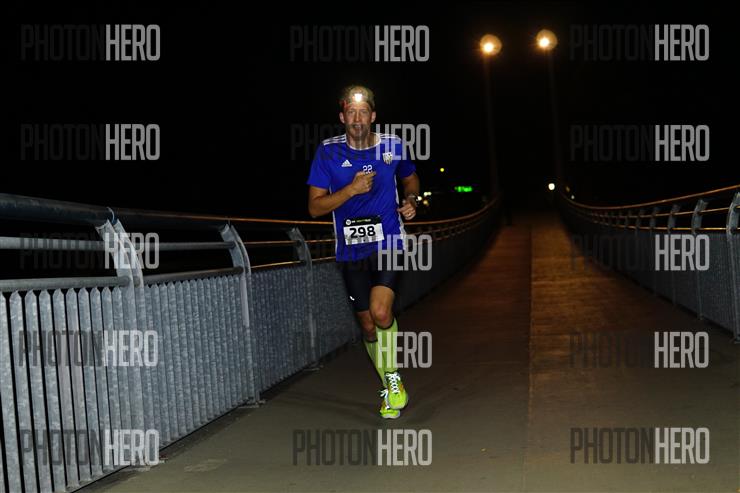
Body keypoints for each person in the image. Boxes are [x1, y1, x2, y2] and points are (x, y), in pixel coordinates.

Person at [306, 84, 420, 418]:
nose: (357, 118)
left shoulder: (393, 145)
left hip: (388, 241)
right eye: (351, 112)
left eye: (363, 112)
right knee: (368, 326)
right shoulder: (327, 152)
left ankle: (393, 378)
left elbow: (411, 178)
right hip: (351, 251)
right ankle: (388, 387)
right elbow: (314, 208)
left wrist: (411, 200)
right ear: (342, 117)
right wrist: (351, 189)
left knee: (381, 312)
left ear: (373, 116)